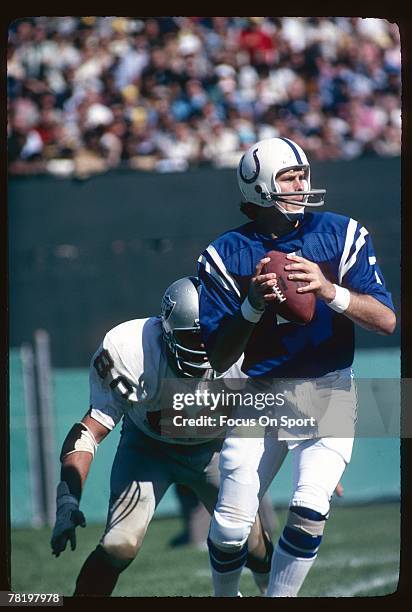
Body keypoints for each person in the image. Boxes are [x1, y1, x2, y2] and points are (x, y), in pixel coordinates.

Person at [197, 137, 396, 597]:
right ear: (260, 187)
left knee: (308, 508)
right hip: (261, 392)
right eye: (290, 176)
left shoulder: (340, 231)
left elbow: (385, 320)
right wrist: (250, 308)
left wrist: (329, 292)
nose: (302, 184)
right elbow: (219, 357)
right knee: (230, 525)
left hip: (329, 391)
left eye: (303, 174)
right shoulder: (226, 254)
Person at [50, 276, 275, 596]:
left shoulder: (247, 353)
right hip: (148, 450)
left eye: (210, 337)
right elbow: (89, 431)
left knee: (253, 545)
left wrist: (318, 457)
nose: (202, 347)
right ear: (166, 332)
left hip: (214, 450)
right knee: (119, 545)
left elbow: (284, 408)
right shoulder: (130, 351)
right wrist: (66, 500)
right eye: (192, 338)